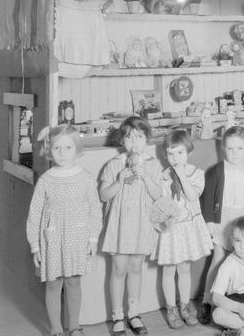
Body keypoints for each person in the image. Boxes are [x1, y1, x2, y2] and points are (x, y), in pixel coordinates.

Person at [26, 125, 102, 336]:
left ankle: (74, 326)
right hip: (51, 241)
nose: (62, 152)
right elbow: (34, 215)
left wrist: (93, 239)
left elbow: (95, 210)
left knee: (73, 283)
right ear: (49, 150)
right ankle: (56, 329)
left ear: (77, 149)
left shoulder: (86, 178)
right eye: (57, 147)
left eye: (68, 147)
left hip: (77, 240)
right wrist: (35, 246)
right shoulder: (45, 180)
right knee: (53, 284)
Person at [100, 116, 162, 336]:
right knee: (118, 269)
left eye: (139, 136)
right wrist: (118, 181)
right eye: (129, 137)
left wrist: (146, 177)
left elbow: (158, 195)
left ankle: (133, 313)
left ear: (147, 139)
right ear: (122, 141)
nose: (134, 142)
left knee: (136, 267)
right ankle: (117, 316)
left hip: (142, 223)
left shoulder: (153, 164)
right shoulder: (114, 164)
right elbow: (103, 195)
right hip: (120, 225)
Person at [198, 126, 244, 324]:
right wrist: (210, 221)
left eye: (239, 148)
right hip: (224, 217)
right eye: (230, 149)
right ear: (223, 149)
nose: (234, 153)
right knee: (218, 259)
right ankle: (207, 301)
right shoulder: (217, 170)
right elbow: (208, 198)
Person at [153, 129, 213, 328]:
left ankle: (185, 306)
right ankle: (171, 309)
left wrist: (181, 175)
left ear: (189, 153)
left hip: (188, 229)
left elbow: (192, 196)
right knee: (169, 269)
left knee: (184, 268)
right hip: (171, 229)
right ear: (165, 155)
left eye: (179, 153)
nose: (174, 157)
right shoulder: (163, 176)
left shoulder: (197, 174)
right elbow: (161, 203)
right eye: (170, 153)